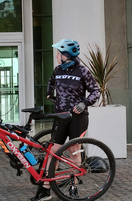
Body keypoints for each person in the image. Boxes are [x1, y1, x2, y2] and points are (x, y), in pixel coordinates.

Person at [31, 39, 101, 201]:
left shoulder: (82, 71)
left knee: (73, 152)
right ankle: (45, 190)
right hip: (60, 117)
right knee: (53, 152)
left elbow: (95, 91)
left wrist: (84, 103)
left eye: (58, 53)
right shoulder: (57, 71)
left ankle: (73, 187)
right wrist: (52, 97)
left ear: (66, 55)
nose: (56, 56)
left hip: (78, 118)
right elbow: (50, 85)